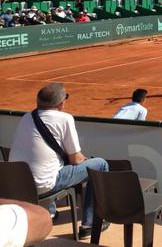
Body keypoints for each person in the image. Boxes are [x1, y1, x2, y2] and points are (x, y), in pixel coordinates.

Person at [8, 83, 110, 239]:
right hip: (43, 186)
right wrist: (86, 160)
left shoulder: (26, 117)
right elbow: (76, 159)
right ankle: (89, 225)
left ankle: (50, 212)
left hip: (17, 186)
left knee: (48, 163)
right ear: (61, 103)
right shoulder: (65, 119)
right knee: (100, 164)